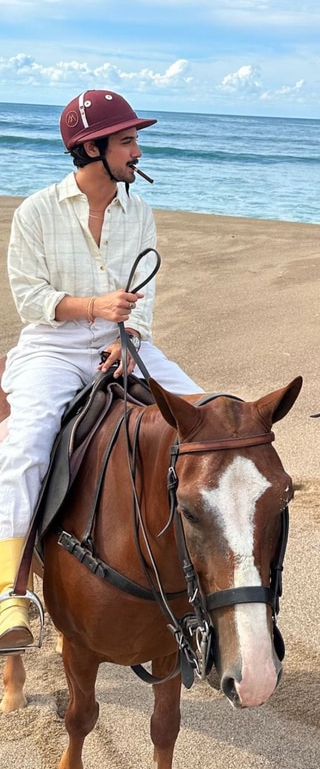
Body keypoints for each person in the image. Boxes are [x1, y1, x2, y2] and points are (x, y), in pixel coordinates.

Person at [0, 90, 203, 652]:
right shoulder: (37, 211)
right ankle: (7, 593)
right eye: (127, 140)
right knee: (27, 445)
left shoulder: (139, 211)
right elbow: (28, 297)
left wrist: (129, 335)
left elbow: (146, 294)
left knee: (214, 420)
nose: (137, 150)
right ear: (91, 147)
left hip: (123, 344)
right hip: (53, 347)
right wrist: (94, 308)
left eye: (136, 139)